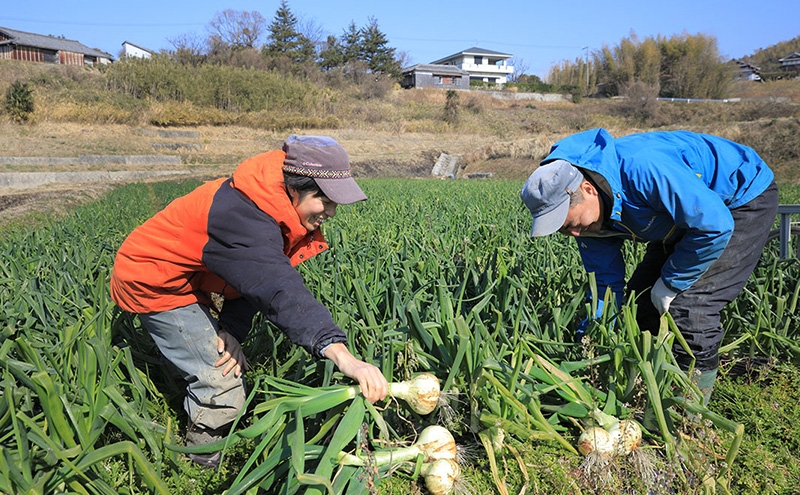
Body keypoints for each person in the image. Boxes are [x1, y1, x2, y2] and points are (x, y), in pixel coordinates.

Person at [110, 135, 389, 468]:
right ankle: (200, 458)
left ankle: (185, 371)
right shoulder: (245, 216)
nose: (331, 211)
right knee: (223, 381)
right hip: (155, 279)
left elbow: (248, 281)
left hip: (191, 276)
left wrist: (230, 328)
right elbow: (276, 288)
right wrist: (342, 355)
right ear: (295, 189)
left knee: (220, 349)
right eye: (324, 200)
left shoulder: (272, 203)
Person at [520, 128, 777, 406]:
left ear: (588, 190)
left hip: (738, 199)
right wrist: (591, 337)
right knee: (640, 301)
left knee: (690, 307)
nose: (573, 233)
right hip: (683, 217)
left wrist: (672, 282)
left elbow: (713, 226)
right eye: (562, 229)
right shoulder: (589, 224)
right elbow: (604, 284)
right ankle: (655, 387)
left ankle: (687, 415)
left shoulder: (644, 170)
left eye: (570, 223)